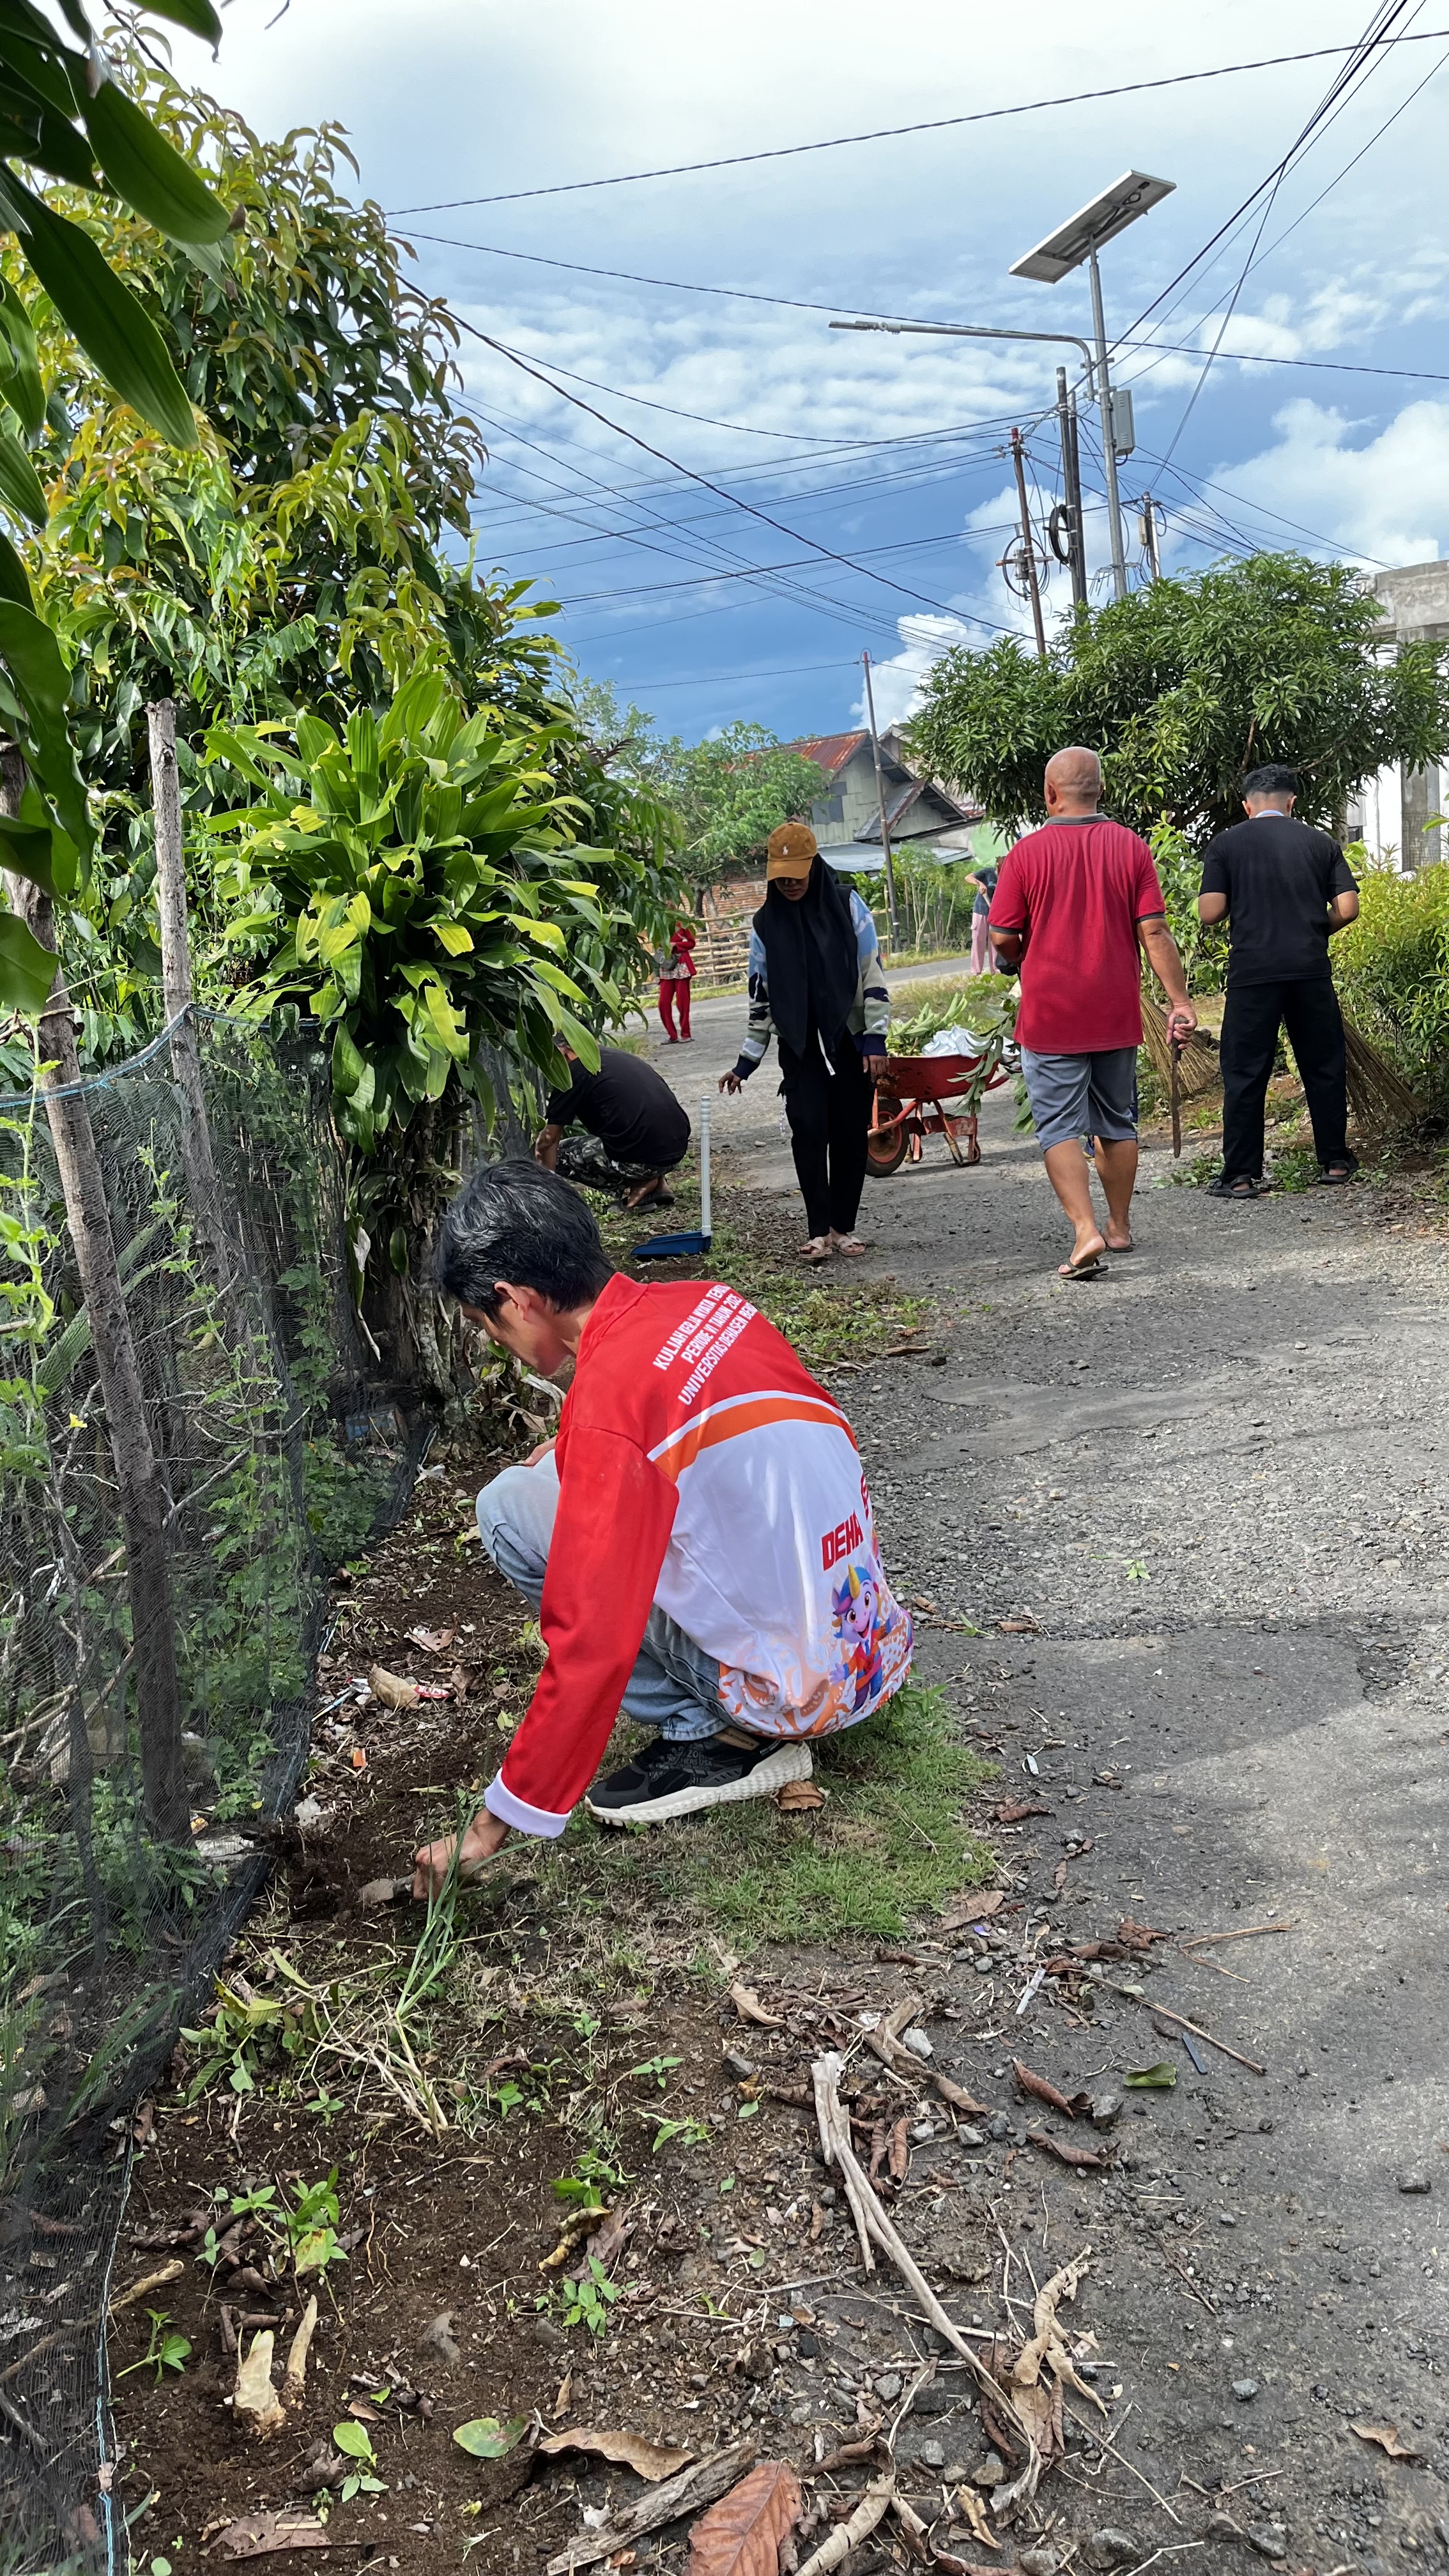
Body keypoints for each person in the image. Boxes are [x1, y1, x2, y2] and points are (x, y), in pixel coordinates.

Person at [411, 1161, 913, 1888]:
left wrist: (493, 1822)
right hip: (870, 1648)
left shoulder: (612, 1398)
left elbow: (593, 1639)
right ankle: (758, 1695)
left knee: (508, 1510)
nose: (495, 1340)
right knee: (556, 1482)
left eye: (484, 1324)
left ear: (515, 1301)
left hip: (803, 1695)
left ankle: (720, 1737)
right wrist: (577, 1447)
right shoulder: (708, 1303)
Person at [988, 746, 1197, 1280]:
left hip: (1052, 1014)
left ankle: (1086, 1232)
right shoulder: (1131, 847)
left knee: (1059, 1127)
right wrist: (1179, 1002)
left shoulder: (1025, 855)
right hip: (1114, 1011)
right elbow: (1154, 931)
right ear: (1100, 791)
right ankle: (1120, 1226)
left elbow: (1002, 935)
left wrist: (1024, 956)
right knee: (1116, 1121)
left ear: (1049, 794)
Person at [719, 822, 889, 1265]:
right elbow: (762, 998)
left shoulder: (849, 906)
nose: (791, 882)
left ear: (815, 865)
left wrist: (875, 1039)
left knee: (851, 1136)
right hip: (800, 1047)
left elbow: (871, 973)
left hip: (850, 1040)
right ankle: (817, 1231)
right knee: (809, 1131)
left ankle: (842, 1226)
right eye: (782, 874)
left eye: (798, 871)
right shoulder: (765, 925)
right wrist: (746, 1061)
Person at [1197, 763, 1360, 1198]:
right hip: (1309, 969)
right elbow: (1347, 907)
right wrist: (1310, 929)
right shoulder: (1319, 842)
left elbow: (1210, 912)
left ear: (1248, 806)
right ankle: (1336, 1162)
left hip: (1253, 974)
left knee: (1246, 1071)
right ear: (1292, 803)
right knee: (1323, 1065)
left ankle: (1242, 1175)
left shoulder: (1227, 844)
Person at [535, 1040, 689, 1213]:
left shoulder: (574, 1073)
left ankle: (640, 1181)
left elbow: (548, 1142)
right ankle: (658, 1184)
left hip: (643, 1157)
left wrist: (543, 1190)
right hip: (676, 1150)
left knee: (562, 1155)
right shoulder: (618, 1056)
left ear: (562, 1052)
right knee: (626, 1134)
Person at [657, 918, 696, 1043]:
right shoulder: (657, 922)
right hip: (666, 964)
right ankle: (672, 1036)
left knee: (683, 1002)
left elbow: (691, 943)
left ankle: (686, 1034)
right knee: (663, 1003)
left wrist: (677, 945)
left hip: (681, 964)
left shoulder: (683, 922)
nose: (668, 903)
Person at [967, 859, 999, 976]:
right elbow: (968, 877)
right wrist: (980, 883)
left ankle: (995, 971)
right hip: (980, 911)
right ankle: (976, 972)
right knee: (978, 940)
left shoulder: (1006, 877)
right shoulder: (987, 872)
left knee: (995, 942)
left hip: (996, 913)